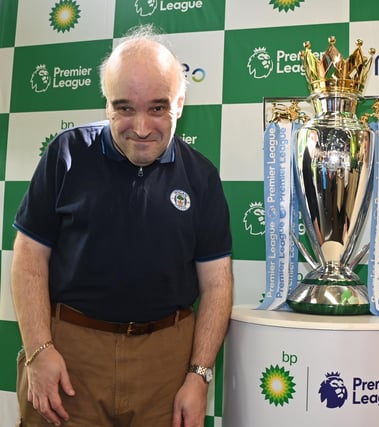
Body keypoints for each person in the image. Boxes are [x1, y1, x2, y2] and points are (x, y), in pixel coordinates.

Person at [11, 25, 233, 427]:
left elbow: (217, 284)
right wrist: (38, 351)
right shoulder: (65, 154)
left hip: (166, 365)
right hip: (70, 357)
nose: (142, 128)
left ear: (180, 104)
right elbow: (28, 259)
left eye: (158, 108)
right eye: (125, 108)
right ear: (107, 105)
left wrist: (198, 375)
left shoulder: (202, 176)